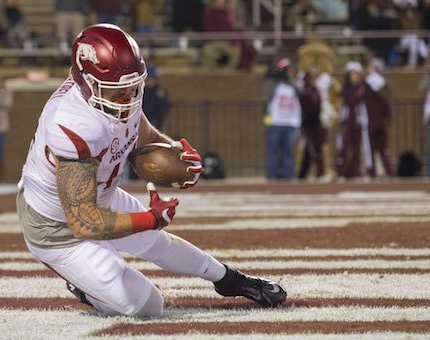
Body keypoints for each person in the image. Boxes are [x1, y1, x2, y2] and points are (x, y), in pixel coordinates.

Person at [16, 24, 287, 318]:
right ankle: (85, 287)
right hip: (57, 226)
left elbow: (143, 138)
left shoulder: (116, 95)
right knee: (148, 306)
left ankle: (230, 280)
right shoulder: (72, 122)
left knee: (156, 241)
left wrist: (178, 157)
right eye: (119, 90)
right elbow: (83, 222)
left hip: (100, 196)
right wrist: (150, 217)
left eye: (133, 87)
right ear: (86, 82)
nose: (128, 97)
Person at [263, 58, 302, 181]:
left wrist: (289, 79)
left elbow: (300, 92)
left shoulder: (292, 85)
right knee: (273, 150)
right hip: (275, 122)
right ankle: (272, 176)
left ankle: (289, 175)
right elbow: (267, 99)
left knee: (288, 151)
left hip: (290, 123)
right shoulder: (273, 83)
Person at [336, 61, 368, 178]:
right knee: (343, 146)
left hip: (359, 120)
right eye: (351, 75)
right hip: (347, 120)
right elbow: (349, 100)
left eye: (356, 74)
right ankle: (342, 171)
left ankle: (357, 171)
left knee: (357, 148)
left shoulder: (363, 88)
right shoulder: (346, 89)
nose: (353, 77)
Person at [364, 58, 393, 177]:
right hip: (376, 120)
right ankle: (383, 172)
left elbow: (387, 103)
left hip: (375, 120)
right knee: (378, 149)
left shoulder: (372, 84)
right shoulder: (383, 84)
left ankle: (384, 171)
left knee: (381, 148)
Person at [298, 69, 325, 179]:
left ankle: (302, 175)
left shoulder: (316, 90)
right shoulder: (304, 91)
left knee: (313, 149)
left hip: (316, 123)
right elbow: (308, 108)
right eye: (311, 78)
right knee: (312, 149)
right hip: (307, 124)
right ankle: (320, 173)